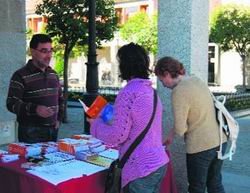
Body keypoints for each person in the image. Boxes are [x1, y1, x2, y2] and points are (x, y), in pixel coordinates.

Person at [89, 43, 168, 193]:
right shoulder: (151, 91)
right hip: (158, 162)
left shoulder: (128, 93)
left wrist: (95, 126)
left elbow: (117, 136)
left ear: (124, 65)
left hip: (141, 166)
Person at [154, 56, 227, 193]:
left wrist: (174, 132)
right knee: (215, 184)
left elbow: (181, 129)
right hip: (220, 141)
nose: (162, 84)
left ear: (167, 74)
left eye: (161, 79)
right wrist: (170, 134)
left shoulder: (178, 91)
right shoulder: (195, 79)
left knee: (196, 188)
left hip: (200, 147)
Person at [6, 34, 64, 143]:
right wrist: (35, 109)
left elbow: (61, 99)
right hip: (30, 131)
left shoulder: (53, 74)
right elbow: (11, 103)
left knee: (51, 160)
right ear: (32, 51)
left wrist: (59, 119)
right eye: (44, 51)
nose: (49, 55)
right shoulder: (20, 75)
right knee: (32, 160)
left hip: (53, 130)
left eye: (50, 50)